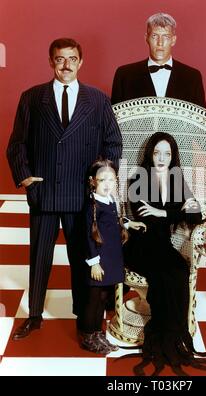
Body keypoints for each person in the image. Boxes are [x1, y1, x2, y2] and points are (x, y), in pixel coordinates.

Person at [6, 38, 122, 340]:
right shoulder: (32, 97)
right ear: (51, 61)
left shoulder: (97, 100)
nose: (66, 64)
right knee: (39, 256)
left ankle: (84, 319)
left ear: (80, 62)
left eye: (72, 58)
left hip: (81, 193)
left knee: (83, 256)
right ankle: (34, 315)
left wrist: (104, 179)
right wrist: (25, 177)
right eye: (60, 59)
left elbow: (113, 142)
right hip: (44, 192)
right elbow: (16, 144)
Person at [121, 132, 206, 375]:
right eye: (157, 152)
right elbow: (143, 217)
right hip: (140, 245)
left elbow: (195, 216)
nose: (161, 158)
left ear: (173, 156)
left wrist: (163, 214)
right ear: (150, 153)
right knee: (164, 273)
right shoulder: (138, 177)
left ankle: (175, 335)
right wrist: (175, 211)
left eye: (167, 153)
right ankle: (161, 339)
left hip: (163, 244)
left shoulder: (176, 178)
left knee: (179, 270)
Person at [80, 159, 146, 354]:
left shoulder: (109, 200)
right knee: (94, 298)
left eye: (112, 179)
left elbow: (113, 221)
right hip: (99, 260)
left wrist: (128, 224)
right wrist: (94, 263)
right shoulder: (92, 207)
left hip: (111, 257)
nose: (108, 184)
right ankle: (88, 334)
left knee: (103, 296)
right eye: (102, 180)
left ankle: (97, 332)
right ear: (93, 181)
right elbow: (88, 237)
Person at [111, 12, 206, 107]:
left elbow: (200, 119)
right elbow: (114, 119)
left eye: (166, 37)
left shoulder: (192, 77)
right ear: (146, 38)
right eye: (154, 36)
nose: (160, 43)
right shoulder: (124, 75)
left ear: (173, 40)